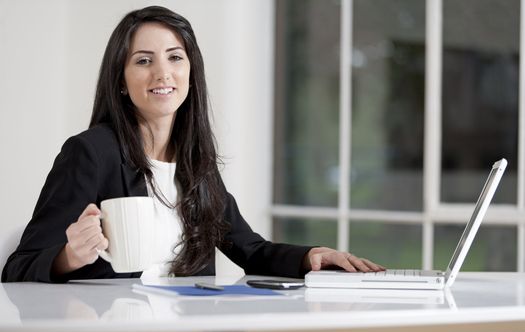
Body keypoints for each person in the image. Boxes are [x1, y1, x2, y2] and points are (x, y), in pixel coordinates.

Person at [1, 6, 384, 283]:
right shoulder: (91, 153)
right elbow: (17, 267)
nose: (162, 73)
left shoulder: (196, 163)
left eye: (175, 57)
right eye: (143, 60)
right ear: (121, 80)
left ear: (190, 71)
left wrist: (311, 257)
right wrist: (69, 257)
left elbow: (249, 250)